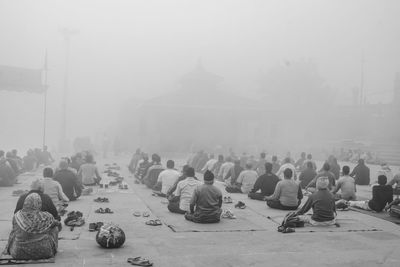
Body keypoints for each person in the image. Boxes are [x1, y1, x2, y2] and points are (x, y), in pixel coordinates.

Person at [6, 193, 59, 260]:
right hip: (45, 252)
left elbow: (14, 232)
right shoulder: (46, 216)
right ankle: (53, 249)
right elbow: (57, 224)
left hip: (19, 253)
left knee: (14, 231)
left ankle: (13, 248)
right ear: (39, 203)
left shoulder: (17, 216)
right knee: (55, 228)